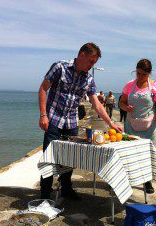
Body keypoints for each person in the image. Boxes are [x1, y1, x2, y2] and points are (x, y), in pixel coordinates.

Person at [39, 42, 123, 201]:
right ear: (82, 55)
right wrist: (43, 115)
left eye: (95, 63)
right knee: (49, 158)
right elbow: (43, 88)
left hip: (71, 123)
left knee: (69, 159)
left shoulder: (89, 79)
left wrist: (111, 124)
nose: (92, 66)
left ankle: (66, 189)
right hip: (53, 121)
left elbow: (97, 104)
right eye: (91, 61)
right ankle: (45, 193)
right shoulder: (60, 67)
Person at [119, 59, 156, 194]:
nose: (140, 77)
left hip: (149, 125)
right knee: (131, 153)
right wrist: (125, 107)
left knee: (148, 154)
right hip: (131, 124)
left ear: (149, 73)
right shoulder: (129, 85)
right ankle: (129, 178)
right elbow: (121, 102)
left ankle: (147, 181)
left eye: (143, 75)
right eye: (138, 74)